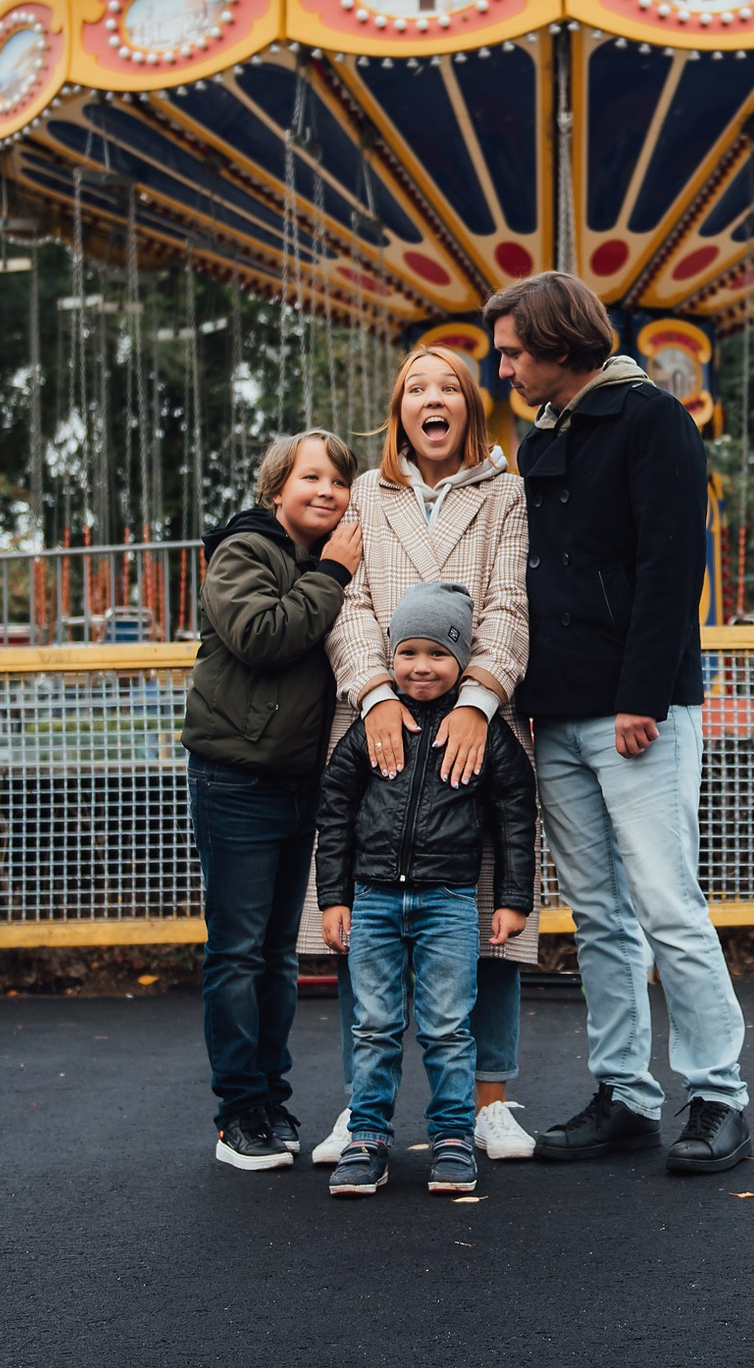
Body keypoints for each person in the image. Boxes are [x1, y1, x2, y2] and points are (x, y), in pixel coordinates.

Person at [486, 271, 754, 1175]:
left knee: (668, 904)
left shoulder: (652, 419)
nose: (503, 364)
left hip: (635, 708)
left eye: (515, 349)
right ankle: (627, 1092)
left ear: (561, 343)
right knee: (598, 912)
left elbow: (673, 565)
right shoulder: (546, 434)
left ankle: (719, 1092)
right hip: (558, 706)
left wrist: (644, 693)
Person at [299, 346, 543, 1166]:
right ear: (398, 410)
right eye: (415, 388)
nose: (431, 399)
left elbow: (509, 603)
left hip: (480, 718)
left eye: (447, 387)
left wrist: (477, 700)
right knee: (364, 924)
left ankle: (490, 1099)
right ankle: (361, 1109)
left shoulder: (505, 493)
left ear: (470, 407)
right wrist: (375, 694)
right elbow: (348, 605)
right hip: (378, 724)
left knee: (488, 921)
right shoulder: (366, 494)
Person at [316, 584, 538, 1197]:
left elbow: (515, 815)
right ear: (390, 656)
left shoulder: (487, 736)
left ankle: (451, 1137)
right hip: (374, 899)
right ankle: (367, 1138)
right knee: (375, 1025)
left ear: (462, 660)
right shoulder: (368, 731)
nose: (420, 666)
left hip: (448, 903)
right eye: (407, 652)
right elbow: (334, 814)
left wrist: (513, 900)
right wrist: (334, 897)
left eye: (437, 654)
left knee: (447, 1026)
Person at [180, 429, 362, 1172]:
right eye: (311, 477)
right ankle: (236, 1115)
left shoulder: (319, 561)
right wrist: (332, 575)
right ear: (276, 487)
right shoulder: (242, 551)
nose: (327, 491)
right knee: (237, 952)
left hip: (297, 779)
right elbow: (261, 634)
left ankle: (269, 1099)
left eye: (339, 481)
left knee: (279, 958)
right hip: (238, 775)